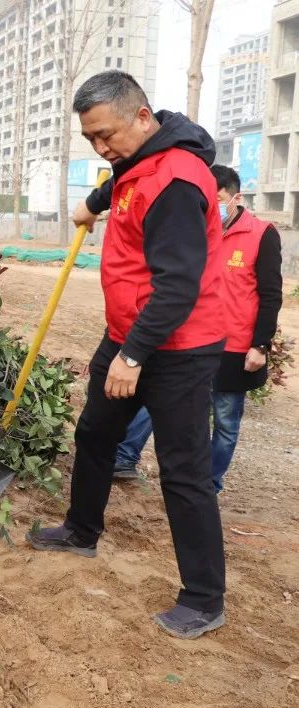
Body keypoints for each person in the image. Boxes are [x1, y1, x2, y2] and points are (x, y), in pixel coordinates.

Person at [25, 71, 228, 639]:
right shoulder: (138, 160)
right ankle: (81, 529)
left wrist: (133, 356)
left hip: (179, 346)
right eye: (90, 138)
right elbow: (121, 180)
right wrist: (92, 203)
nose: (100, 147)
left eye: (105, 134)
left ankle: (204, 598)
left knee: (184, 470)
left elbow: (180, 285)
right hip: (128, 332)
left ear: (143, 117)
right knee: (94, 433)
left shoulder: (179, 182)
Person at [113, 165, 282, 490]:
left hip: (235, 347)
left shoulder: (261, 234)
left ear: (236, 197)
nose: (209, 207)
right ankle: (123, 458)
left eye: (217, 199)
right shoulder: (195, 232)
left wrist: (260, 345)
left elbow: (271, 294)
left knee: (226, 422)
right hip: (189, 339)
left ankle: (208, 484)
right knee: (158, 399)